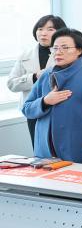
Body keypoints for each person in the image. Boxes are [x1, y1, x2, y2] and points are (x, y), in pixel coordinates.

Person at [21, 27, 82, 165]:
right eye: (55, 48)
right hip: (44, 151)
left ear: (79, 50)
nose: (58, 52)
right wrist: (45, 101)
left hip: (77, 149)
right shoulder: (45, 75)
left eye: (65, 47)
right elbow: (26, 108)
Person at [8, 15, 66, 144]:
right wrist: (33, 77)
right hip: (33, 110)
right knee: (39, 152)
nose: (43, 33)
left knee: (59, 151)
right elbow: (11, 83)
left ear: (61, 32)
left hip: (59, 110)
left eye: (50, 29)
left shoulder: (67, 53)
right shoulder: (25, 55)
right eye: (40, 29)